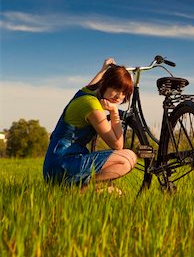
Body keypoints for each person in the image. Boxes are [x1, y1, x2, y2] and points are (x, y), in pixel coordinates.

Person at [43, 58, 137, 190]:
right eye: (116, 88)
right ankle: (80, 188)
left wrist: (103, 70)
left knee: (114, 193)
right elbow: (117, 145)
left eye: (124, 93)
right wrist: (114, 113)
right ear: (105, 83)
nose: (118, 96)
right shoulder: (92, 106)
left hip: (58, 164)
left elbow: (93, 84)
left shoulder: (85, 93)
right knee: (128, 158)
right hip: (62, 167)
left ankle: (90, 188)